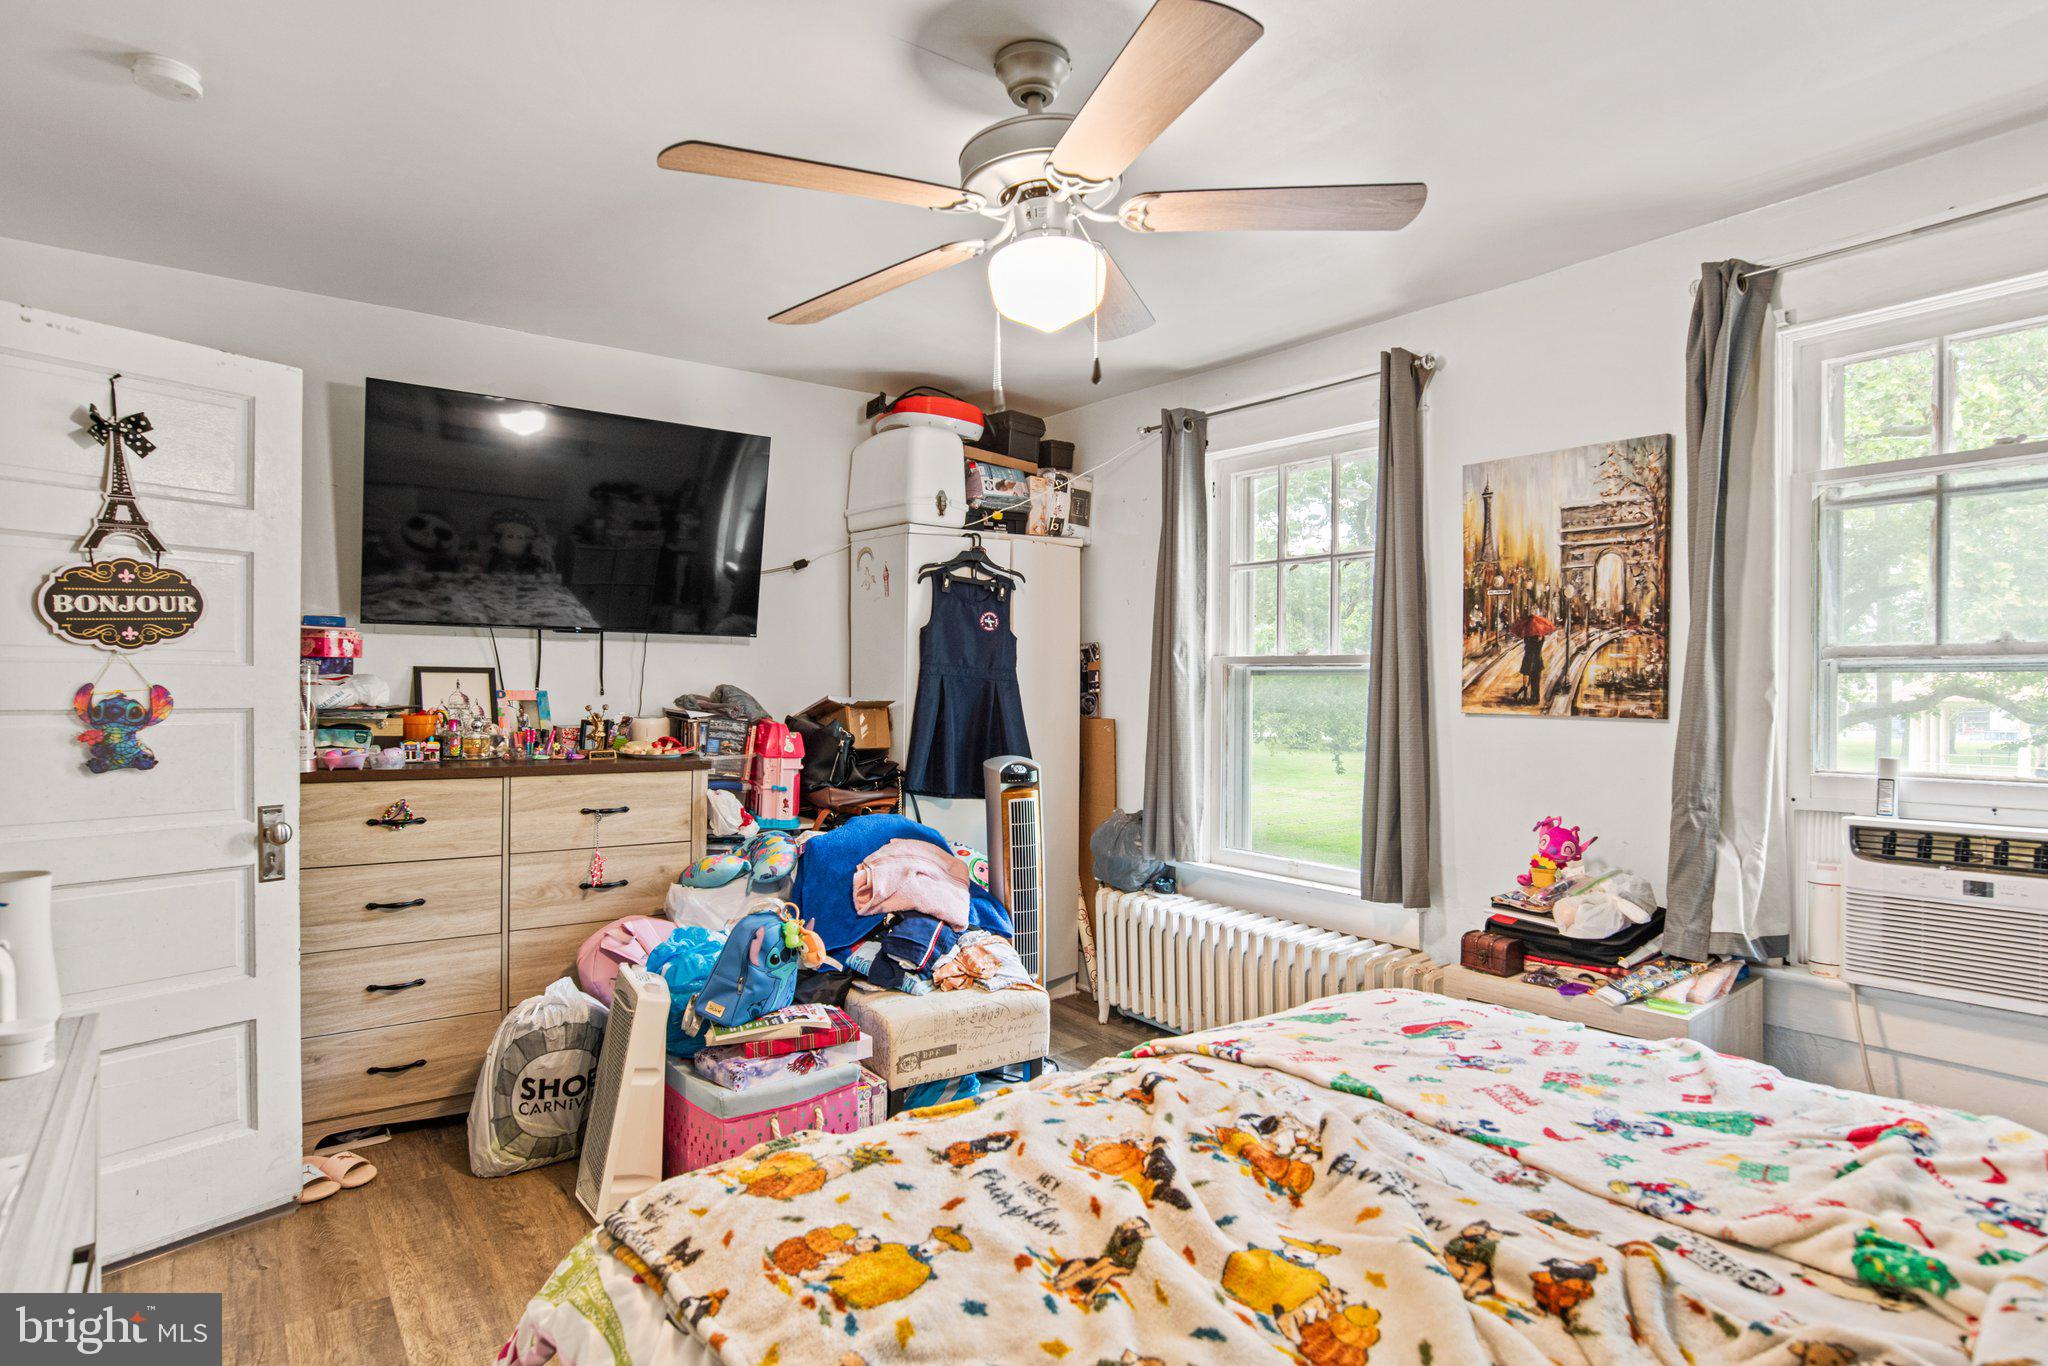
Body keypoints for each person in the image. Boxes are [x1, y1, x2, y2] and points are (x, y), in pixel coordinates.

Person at [1520, 628, 1545, 704]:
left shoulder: (1528, 640)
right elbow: (1541, 640)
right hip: (1537, 663)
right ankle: (1535, 698)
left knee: (1527, 681)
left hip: (1528, 662)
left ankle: (1526, 697)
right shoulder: (1539, 641)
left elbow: (1526, 644)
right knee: (1535, 682)